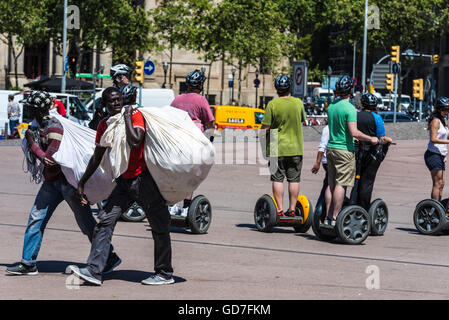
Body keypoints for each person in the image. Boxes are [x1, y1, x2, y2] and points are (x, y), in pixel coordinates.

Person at [6, 91, 119, 276]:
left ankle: (109, 256)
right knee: (36, 218)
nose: (28, 109)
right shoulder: (38, 125)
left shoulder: (54, 128)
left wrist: (32, 143)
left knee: (86, 223)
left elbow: (50, 160)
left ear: (37, 109)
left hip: (68, 185)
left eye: (30, 107)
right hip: (52, 183)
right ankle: (28, 263)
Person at [70, 87, 174, 286]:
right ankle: (94, 270)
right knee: (104, 222)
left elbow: (135, 141)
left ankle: (164, 273)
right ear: (104, 104)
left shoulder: (134, 116)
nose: (116, 103)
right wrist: (82, 181)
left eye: (119, 100)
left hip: (144, 181)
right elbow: (97, 156)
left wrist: (126, 116)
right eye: (112, 101)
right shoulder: (104, 125)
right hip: (123, 182)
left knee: (159, 226)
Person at [324, 75, 379, 226]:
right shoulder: (349, 108)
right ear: (351, 91)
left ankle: (328, 217)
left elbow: (334, 127)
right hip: (344, 150)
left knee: (331, 184)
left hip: (331, 148)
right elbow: (354, 133)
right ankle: (336, 218)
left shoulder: (331, 106)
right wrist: (371, 138)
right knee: (341, 184)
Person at [169, 70, 215, 216]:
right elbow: (210, 123)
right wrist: (209, 141)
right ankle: (186, 208)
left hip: (177, 142)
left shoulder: (177, 100)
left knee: (176, 174)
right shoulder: (201, 100)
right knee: (191, 176)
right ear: (201, 85)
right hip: (194, 143)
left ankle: (171, 205)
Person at [261, 74, 306, 217]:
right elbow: (302, 120)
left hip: (276, 145)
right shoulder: (298, 103)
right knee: (294, 179)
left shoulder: (272, 104)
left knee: (277, 178)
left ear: (277, 89)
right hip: (295, 146)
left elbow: (265, 127)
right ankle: (292, 209)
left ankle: (279, 210)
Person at [353, 93, 393, 210]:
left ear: (362, 104)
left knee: (356, 180)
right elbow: (382, 138)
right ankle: (363, 208)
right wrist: (389, 140)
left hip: (355, 152)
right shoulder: (377, 118)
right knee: (367, 182)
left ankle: (352, 203)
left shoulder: (355, 116)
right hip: (370, 154)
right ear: (375, 105)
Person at [424, 97, 449, 201]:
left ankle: (438, 208)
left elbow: (446, 137)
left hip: (441, 155)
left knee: (441, 184)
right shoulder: (435, 121)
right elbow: (433, 139)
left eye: (448, 109)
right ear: (439, 109)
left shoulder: (443, 121)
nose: (447, 112)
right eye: (445, 109)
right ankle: (434, 209)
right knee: (437, 183)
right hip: (433, 155)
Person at [311, 122, 330, 210]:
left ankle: (320, 208)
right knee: (332, 185)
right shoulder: (327, 128)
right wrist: (317, 162)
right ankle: (321, 209)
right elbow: (322, 146)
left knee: (328, 184)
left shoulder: (328, 128)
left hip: (328, 160)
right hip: (329, 161)